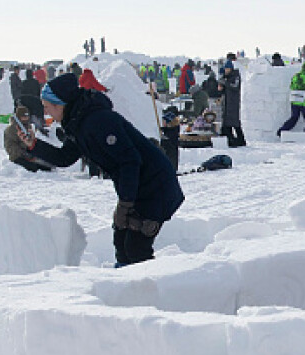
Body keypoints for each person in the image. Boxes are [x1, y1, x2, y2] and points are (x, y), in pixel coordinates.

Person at [20, 73, 185, 266]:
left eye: (47, 107)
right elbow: (65, 158)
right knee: (121, 243)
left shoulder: (98, 122)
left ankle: (148, 291)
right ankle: (125, 287)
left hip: (156, 186)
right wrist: (33, 145)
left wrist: (126, 203)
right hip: (137, 187)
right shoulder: (78, 122)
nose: (46, 113)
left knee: (136, 248)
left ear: (60, 105)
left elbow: (130, 161)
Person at [3, 105, 53, 172]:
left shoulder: (28, 126)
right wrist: (23, 153)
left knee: (46, 166)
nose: (26, 118)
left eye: (27, 116)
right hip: (17, 157)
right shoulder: (11, 130)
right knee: (34, 168)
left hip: (29, 154)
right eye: (23, 116)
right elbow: (10, 146)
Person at [277, 61, 305, 136]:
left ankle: (282, 130)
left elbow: (291, 86)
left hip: (295, 100)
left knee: (294, 117)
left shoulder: (296, 76)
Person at [215, 60, 245, 147]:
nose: (226, 70)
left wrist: (225, 83)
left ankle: (240, 140)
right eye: (225, 69)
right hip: (227, 103)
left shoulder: (235, 76)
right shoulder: (227, 77)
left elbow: (234, 86)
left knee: (235, 122)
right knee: (227, 122)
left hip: (233, 103)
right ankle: (230, 139)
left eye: (228, 69)